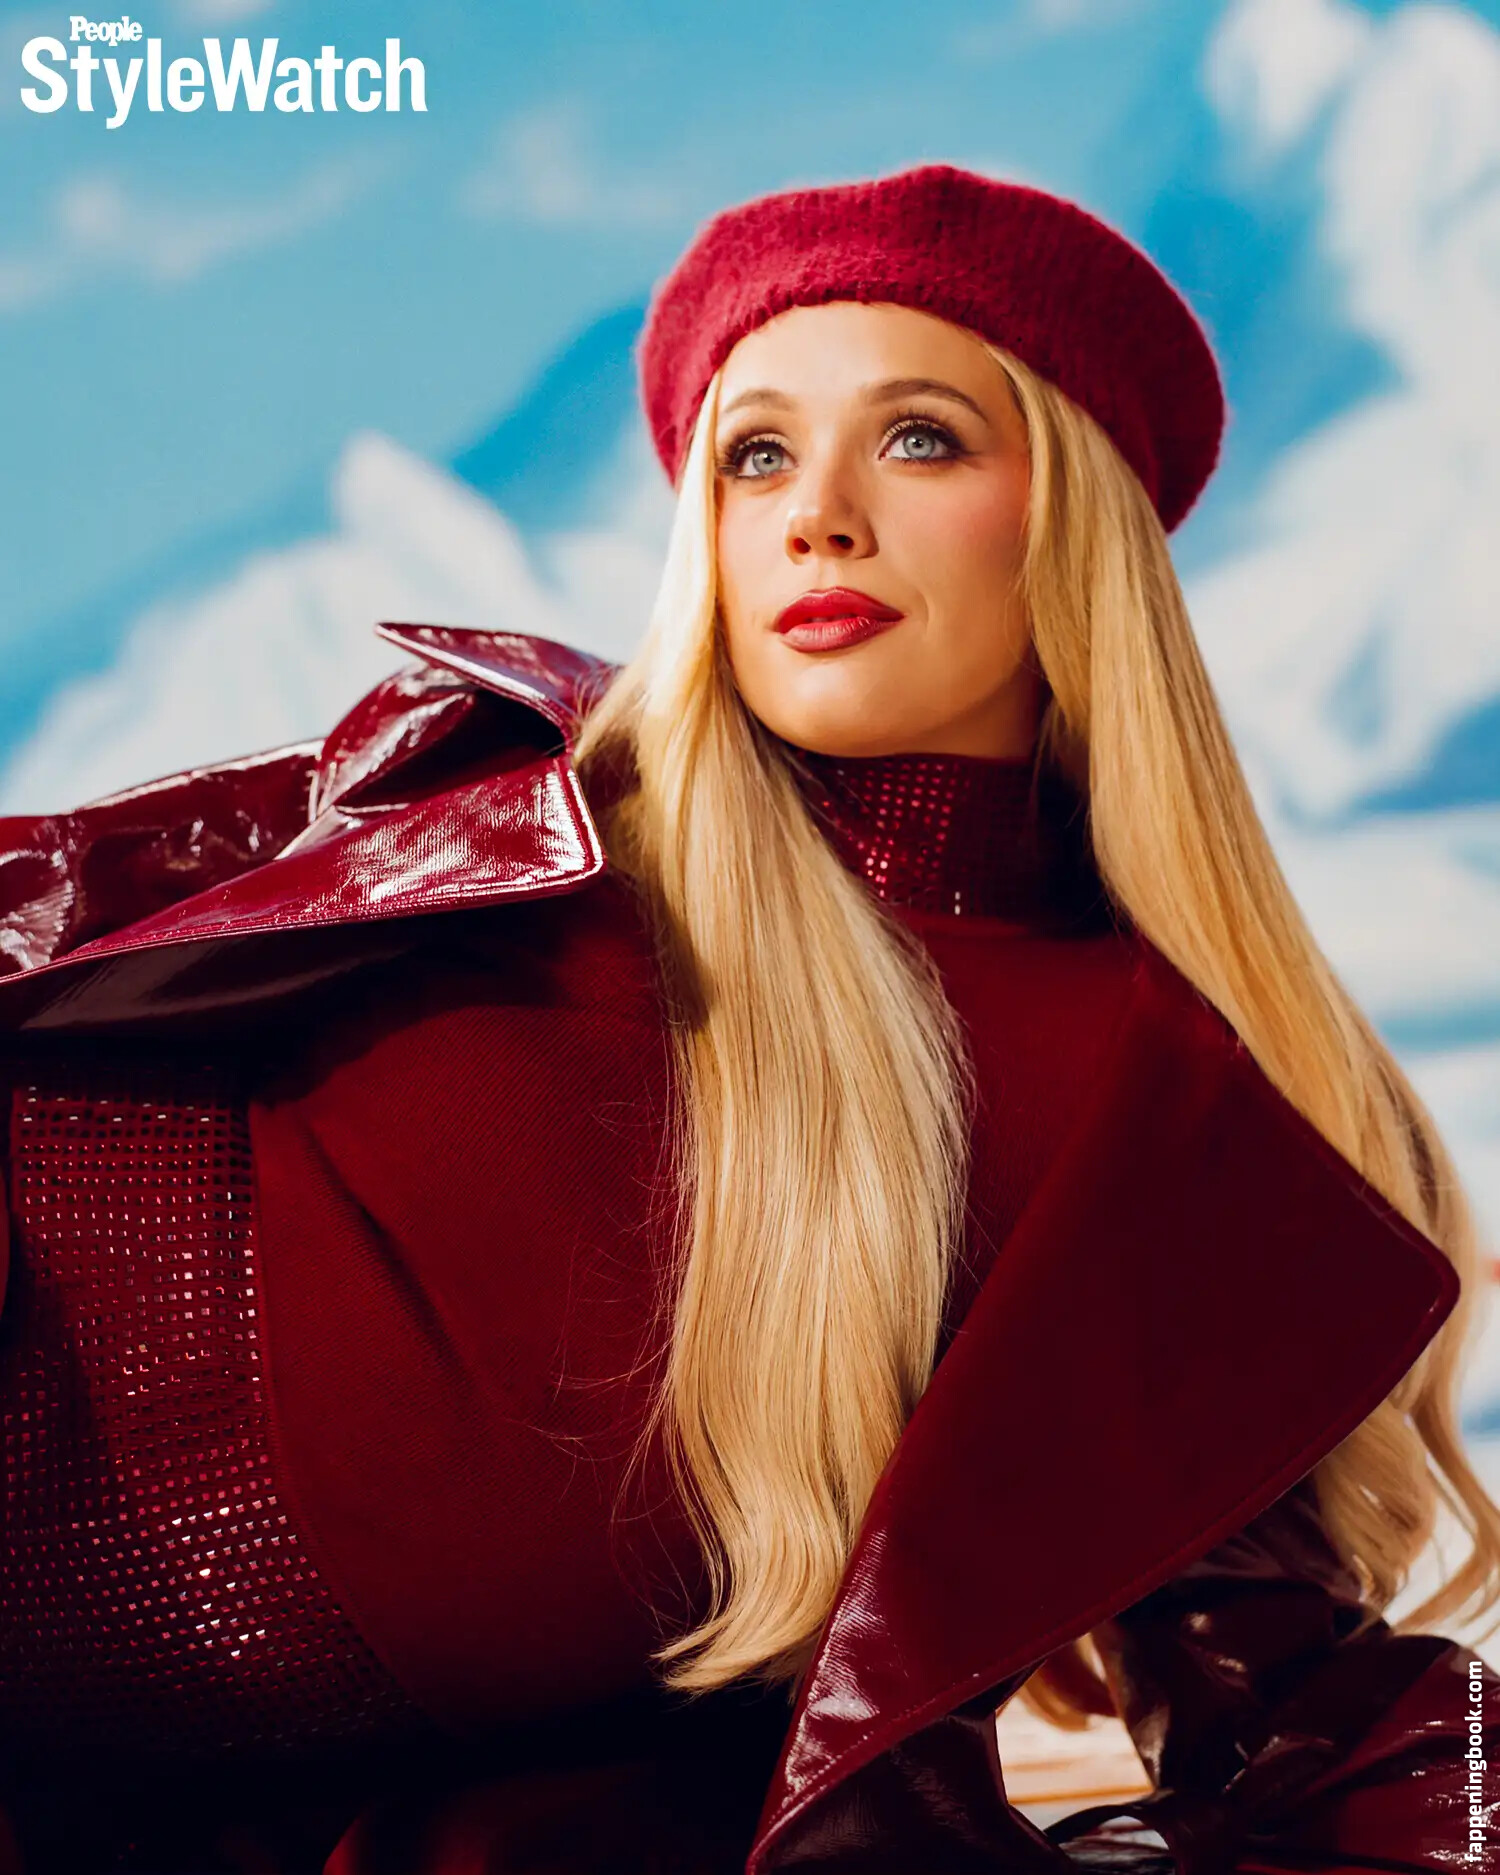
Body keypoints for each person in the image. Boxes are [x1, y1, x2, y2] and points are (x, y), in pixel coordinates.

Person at [0, 162, 1496, 1874]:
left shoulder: (1171, 1137)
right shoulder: (519, 808)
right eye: (757, 455)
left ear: (1078, 520)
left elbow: (1315, 1724)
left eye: (919, 438)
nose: (819, 516)